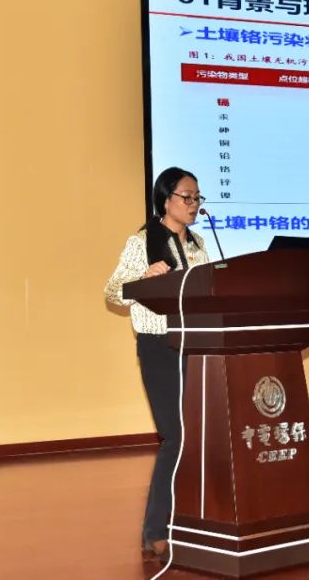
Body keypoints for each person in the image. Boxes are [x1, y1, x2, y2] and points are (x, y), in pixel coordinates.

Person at [104, 167, 210, 562]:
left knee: (197, 436)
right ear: (166, 200)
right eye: (187, 196)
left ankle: (190, 520)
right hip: (159, 347)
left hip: (196, 345)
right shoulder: (142, 242)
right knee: (175, 436)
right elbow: (113, 292)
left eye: (197, 197)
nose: (194, 204)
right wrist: (144, 278)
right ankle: (155, 530)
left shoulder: (198, 244)